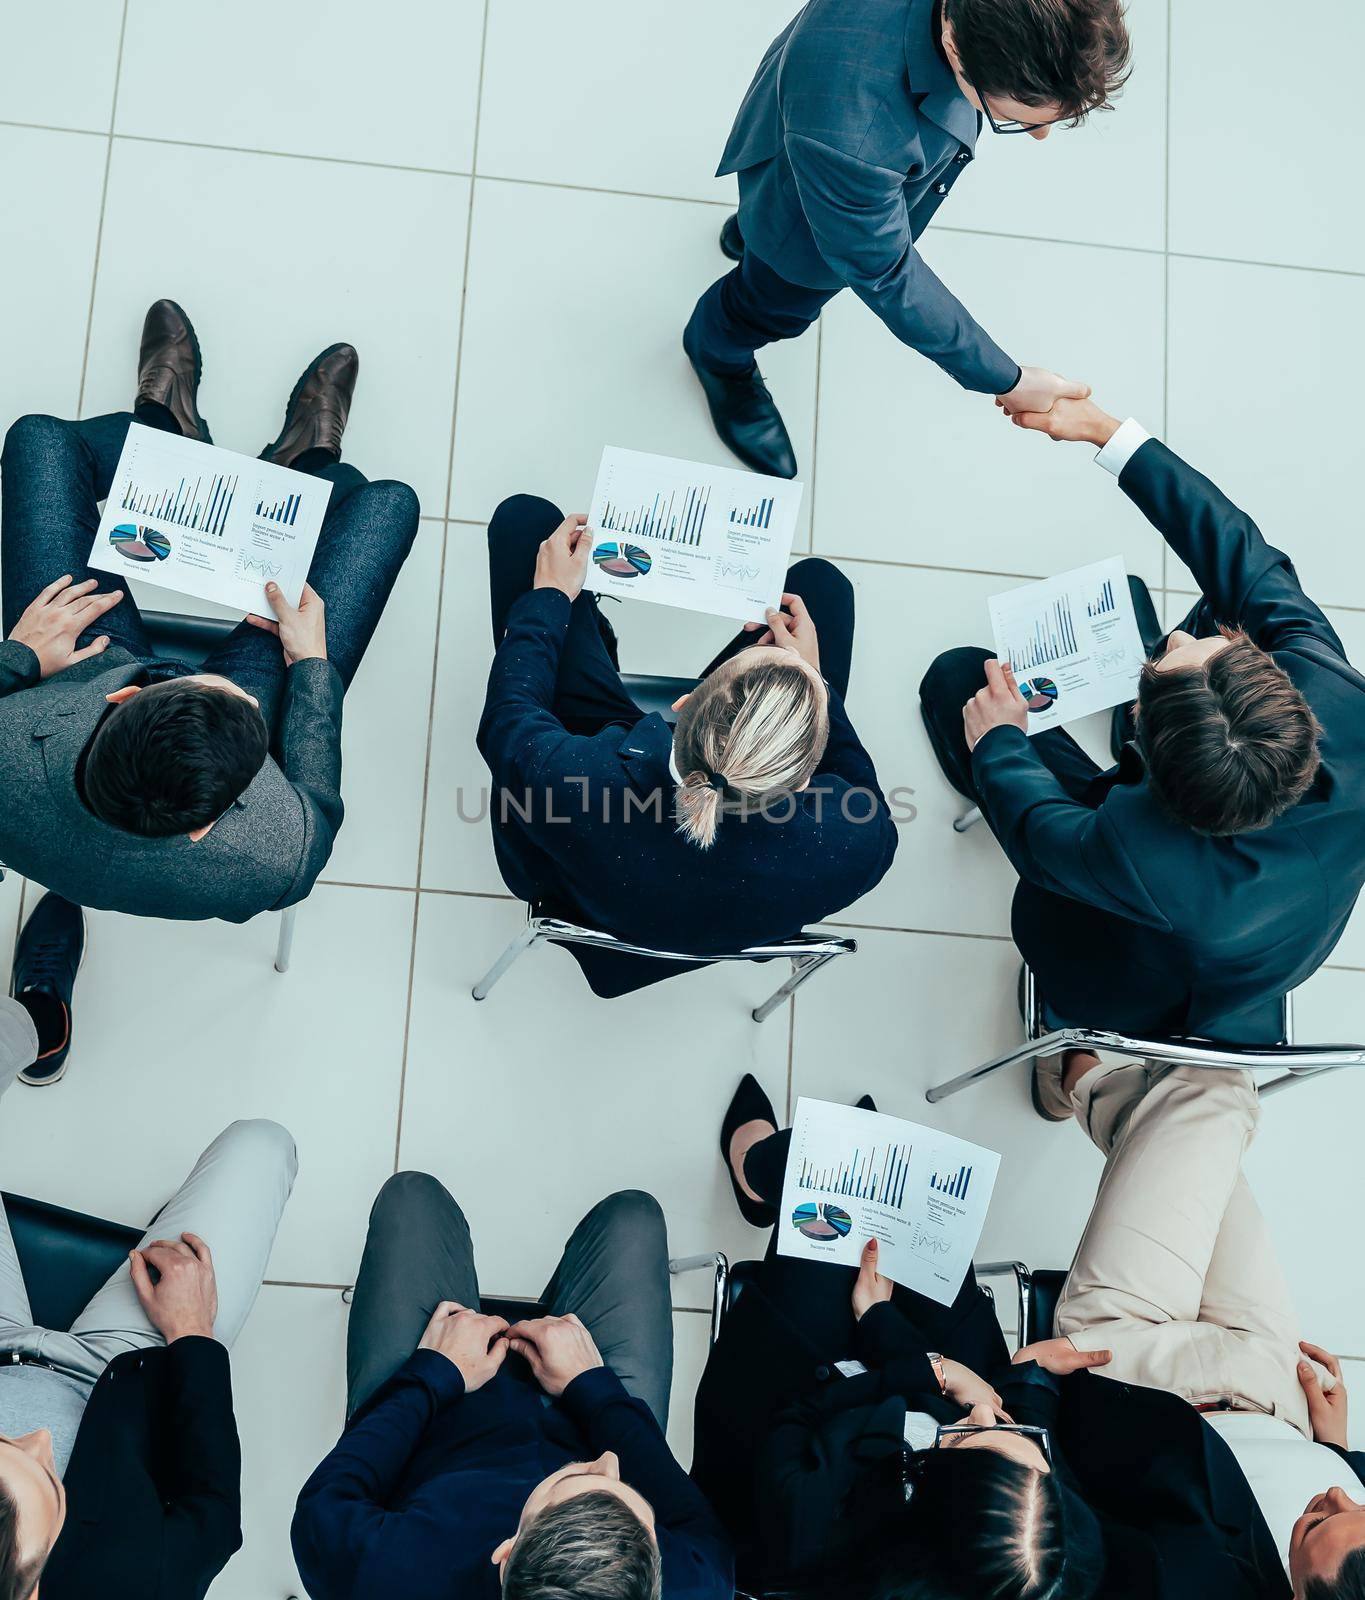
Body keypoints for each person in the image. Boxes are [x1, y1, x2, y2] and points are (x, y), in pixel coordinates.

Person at [918, 393, 1365, 1097]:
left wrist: (999, 739)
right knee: (1226, 600)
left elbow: (1037, 837)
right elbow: (1243, 559)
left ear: (1150, 744)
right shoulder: (1336, 693)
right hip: (1280, 938)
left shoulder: (1136, 845)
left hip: (1139, 979)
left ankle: (1064, 1036)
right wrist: (1108, 434)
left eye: (1162, 667)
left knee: (953, 680)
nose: (1179, 639)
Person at [0, 298, 419, 956]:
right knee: (386, 504)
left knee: (36, 441)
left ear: (125, 696)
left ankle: (167, 438)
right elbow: (314, 790)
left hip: (79, 674)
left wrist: (18, 658)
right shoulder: (282, 854)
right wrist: (309, 665)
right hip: (140, 708)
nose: (224, 681)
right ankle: (300, 467)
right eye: (243, 705)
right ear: (214, 822)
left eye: (220, 690)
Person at [690, 1075, 1109, 1596]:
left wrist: (920, 1360)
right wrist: (1029, 1384)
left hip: (804, 1408)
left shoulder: (813, 1528)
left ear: (930, 1490)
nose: (986, 1413)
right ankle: (847, 1160)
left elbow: (803, 1415)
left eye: (975, 1435)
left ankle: (756, 1178)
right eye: (1022, 1441)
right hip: (919, 1389)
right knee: (904, 1195)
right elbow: (1024, 1441)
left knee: (818, 1169)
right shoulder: (1055, 1557)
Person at [684, 0, 1131, 479]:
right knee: (771, 299)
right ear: (955, 48)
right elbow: (887, 270)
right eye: (1014, 118)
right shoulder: (857, 138)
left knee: (781, 202)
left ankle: (758, 224)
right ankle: (717, 356)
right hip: (812, 210)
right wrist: (1008, 378)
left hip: (807, 114)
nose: (1040, 136)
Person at [476, 495, 898, 997]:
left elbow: (510, 714)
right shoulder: (854, 843)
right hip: (715, 908)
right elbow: (858, 784)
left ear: (682, 704)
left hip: (584, 880)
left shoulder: (570, 779)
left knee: (526, 522)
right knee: (821, 590)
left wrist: (549, 598)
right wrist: (815, 682)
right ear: (807, 778)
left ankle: (588, 625)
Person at [291, 1172, 733, 1600]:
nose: (611, 1463)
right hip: (591, 1407)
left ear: (506, 1553)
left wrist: (435, 1371)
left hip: (436, 1418)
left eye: (577, 1480)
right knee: (634, 1217)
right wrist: (593, 1386)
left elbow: (326, 1502)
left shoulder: (383, 1577)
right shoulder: (691, 1586)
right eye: (644, 1521)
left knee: (412, 1198)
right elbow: (697, 1528)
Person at [1023, 1053, 1365, 1599]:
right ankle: (1083, 1080)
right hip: (1276, 1383)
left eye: (1317, 1525)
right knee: (1200, 1126)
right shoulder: (1344, 1512)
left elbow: (1067, 1530)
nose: (1336, 1495)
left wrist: (1033, 1388)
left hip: (1136, 1369)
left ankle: (1097, 1060)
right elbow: (1343, 1497)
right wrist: (1339, 1452)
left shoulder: (1183, 1584)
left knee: (1214, 1087)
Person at [0, 1005, 297, 1599]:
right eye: (48, 1481)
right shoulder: (138, 1584)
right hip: (125, 1367)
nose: (38, 1439)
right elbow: (212, 1515)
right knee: (262, 1146)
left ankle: (34, 1023)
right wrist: (193, 1334)